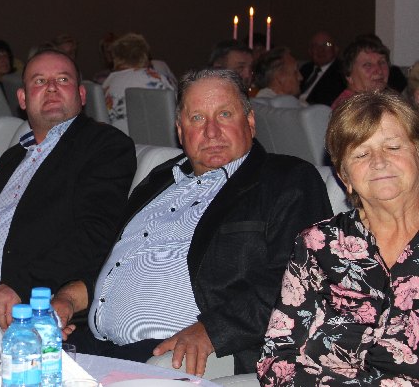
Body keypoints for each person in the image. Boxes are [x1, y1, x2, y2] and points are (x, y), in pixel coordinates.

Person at [50, 68, 332, 376]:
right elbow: (116, 261)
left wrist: (212, 330)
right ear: (180, 130)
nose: (211, 131)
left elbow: (304, 279)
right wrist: (68, 299)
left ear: (250, 121)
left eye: (224, 114)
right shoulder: (160, 180)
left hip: (178, 352)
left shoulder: (286, 180)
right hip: (93, 343)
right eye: (197, 118)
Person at [0, 48, 137, 328]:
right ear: (23, 99)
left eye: (63, 79)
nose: (51, 87)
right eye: (39, 81)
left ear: (81, 95)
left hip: (25, 308)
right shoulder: (14, 156)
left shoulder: (104, 146)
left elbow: (94, 234)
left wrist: (20, 285)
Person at [259, 91, 419, 384]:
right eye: (361, 154)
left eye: (393, 147)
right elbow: (276, 357)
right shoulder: (318, 244)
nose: (379, 161)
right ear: (344, 176)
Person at [102, 33, 175, 134]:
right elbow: (176, 109)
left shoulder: (108, 83)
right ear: (144, 55)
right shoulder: (152, 78)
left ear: (116, 57)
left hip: (116, 140)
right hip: (153, 140)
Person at [331, 36, 390, 110]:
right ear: (349, 75)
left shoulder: (376, 103)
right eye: (368, 65)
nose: (379, 70)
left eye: (382, 62)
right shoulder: (351, 109)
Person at [299, 31, 346, 106]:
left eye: (327, 44)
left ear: (336, 49)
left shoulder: (342, 72)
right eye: (315, 45)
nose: (321, 50)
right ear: (310, 51)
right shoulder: (305, 69)